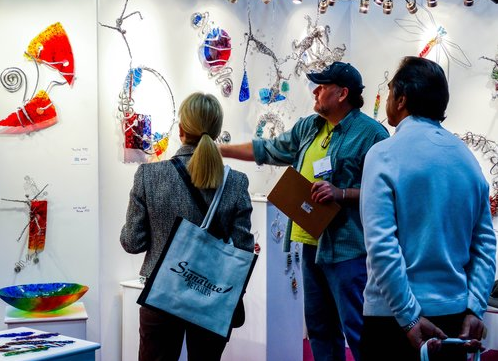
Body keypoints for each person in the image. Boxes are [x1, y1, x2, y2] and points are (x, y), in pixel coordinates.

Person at [220, 61, 389, 361]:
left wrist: (343, 194)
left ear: (342, 94)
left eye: (322, 87)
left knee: (358, 329)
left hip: (348, 249)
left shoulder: (372, 135)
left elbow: (386, 193)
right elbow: (268, 149)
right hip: (309, 244)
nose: (316, 91)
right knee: (320, 329)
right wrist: (220, 150)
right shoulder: (309, 127)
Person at [359, 56, 497, 361]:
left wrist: (408, 316)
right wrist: (475, 306)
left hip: (394, 317)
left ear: (401, 100)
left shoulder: (383, 154)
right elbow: (486, 244)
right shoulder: (467, 159)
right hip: (455, 317)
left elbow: (382, 246)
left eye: (391, 90)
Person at [120, 92, 254, 361]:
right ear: (217, 131)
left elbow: (132, 242)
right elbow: (243, 249)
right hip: (211, 296)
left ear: (181, 129)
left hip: (162, 293)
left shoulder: (150, 175)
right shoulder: (236, 182)